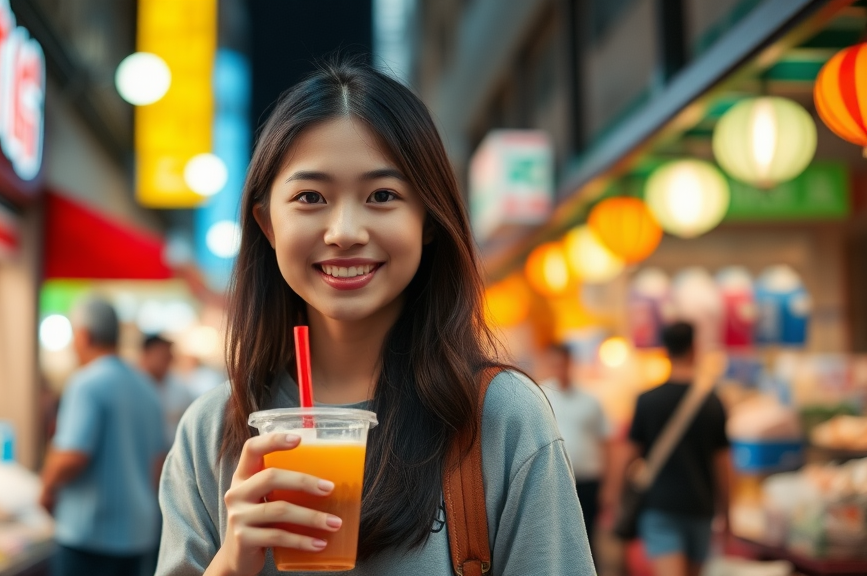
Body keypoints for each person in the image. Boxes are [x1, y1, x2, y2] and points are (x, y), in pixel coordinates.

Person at [156, 59, 595, 576]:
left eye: (382, 196)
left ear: (428, 221)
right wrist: (230, 564)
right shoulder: (213, 431)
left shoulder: (502, 420)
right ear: (267, 223)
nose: (344, 230)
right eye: (310, 197)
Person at [41, 298, 168, 576]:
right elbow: (159, 464)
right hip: (139, 534)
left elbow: (72, 456)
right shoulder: (147, 387)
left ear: (84, 336)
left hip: (89, 535)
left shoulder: (87, 383)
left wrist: (47, 488)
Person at [622, 322, 731, 576]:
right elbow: (723, 464)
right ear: (695, 349)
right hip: (701, 508)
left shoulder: (647, 401)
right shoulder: (713, 403)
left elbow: (628, 456)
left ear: (665, 351)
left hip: (659, 506)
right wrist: (728, 513)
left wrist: (615, 497)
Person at [540, 343, 610, 564]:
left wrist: (609, 485)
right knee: (555, 536)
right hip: (555, 478)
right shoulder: (540, 395)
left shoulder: (590, 400)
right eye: (555, 363)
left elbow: (605, 442)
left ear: (571, 363)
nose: (560, 368)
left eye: (564, 363)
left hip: (588, 479)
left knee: (588, 535)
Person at [140, 334, 198, 443]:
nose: (169, 360)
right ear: (146, 354)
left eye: (169, 356)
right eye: (163, 356)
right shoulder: (132, 386)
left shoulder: (180, 388)